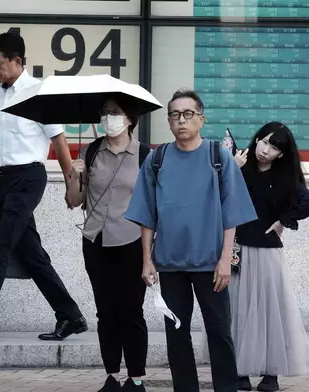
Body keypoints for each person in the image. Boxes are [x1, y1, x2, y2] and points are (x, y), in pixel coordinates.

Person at [125, 89, 258, 392]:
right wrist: (147, 260)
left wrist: (226, 259)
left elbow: (232, 213)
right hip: (170, 263)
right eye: (174, 115)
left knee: (220, 332)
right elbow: (147, 214)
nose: (181, 120)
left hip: (211, 263)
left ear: (201, 119)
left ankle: (226, 387)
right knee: (176, 332)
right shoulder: (157, 159)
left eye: (188, 114)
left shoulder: (217, 156)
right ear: (169, 122)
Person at [0, 31, 87, 343]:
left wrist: (72, 185)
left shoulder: (39, 93)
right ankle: (70, 315)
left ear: (18, 61)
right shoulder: (1, 93)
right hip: (5, 181)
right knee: (32, 255)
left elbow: (58, 140)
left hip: (29, 178)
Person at [66, 97, 150, 392]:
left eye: (115, 113)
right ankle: (112, 375)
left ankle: (136, 377)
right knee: (106, 311)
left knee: (131, 311)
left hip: (131, 241)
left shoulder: (144, 155)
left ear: (130, 119)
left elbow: (154, 207)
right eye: (104, 113)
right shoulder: (91, 151)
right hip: (95, 240)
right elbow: (74, 201)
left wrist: (150, 255)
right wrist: (74, 175)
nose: (108, 118)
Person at [227, 122, 309, 391]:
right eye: (264, 142)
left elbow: (306, 201)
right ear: (257, 139)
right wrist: (232, 169)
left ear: (281, 154)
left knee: (270, 313)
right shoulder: (240, 165)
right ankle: (240, 372)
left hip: (268, 252)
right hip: (237, 249)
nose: (265, 150)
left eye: (274, 148)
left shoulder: (286, 177)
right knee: (237, 311)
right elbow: (217, 196)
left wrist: (284, 220)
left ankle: (271, 374)